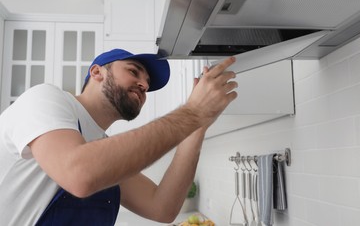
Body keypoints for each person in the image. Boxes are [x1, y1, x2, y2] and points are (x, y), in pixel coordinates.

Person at [0, 48, 237, 225]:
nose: (144, 85)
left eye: (148, 83)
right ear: (97, 72)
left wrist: (197, 128)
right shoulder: (45, 98)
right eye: (134, 71)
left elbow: (162, 207)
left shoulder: (103, 152)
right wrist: (191, 114)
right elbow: (78, 173)